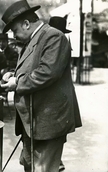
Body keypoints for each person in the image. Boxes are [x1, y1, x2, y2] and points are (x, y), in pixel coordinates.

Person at [0, 0, 82, 172]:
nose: (14, 36)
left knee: (43, 168)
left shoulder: (53, 36)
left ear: (26, 23)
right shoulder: (33, 39)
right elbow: (32, 69)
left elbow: (47, 72)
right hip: (32, 122)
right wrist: (13, 76)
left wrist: (18, 83)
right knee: (30, 165)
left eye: (15, 30)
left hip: (48, 121)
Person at [49, 16, 72, 171]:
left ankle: (57, 162)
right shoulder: (62, 41)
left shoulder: (59, 43)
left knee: (55, 131)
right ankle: (57, 161)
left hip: (58, 96)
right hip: (62, 95)